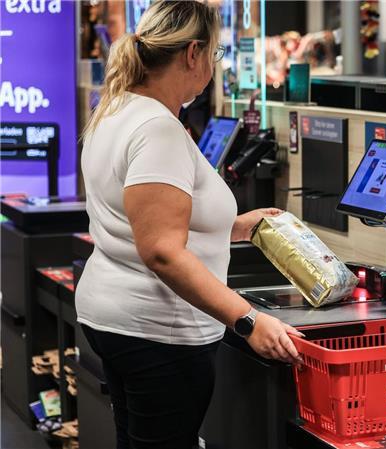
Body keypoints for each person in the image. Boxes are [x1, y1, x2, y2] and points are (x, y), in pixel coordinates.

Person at [76, 2, 301, 448]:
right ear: (193, 53)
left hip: (116, 317)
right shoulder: (157, 128)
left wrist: (233, 226)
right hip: (157, 329)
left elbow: (139, 216)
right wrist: (249, 320)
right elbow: (161, 248)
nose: (213, 68)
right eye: (215, 55)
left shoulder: (119, 109)